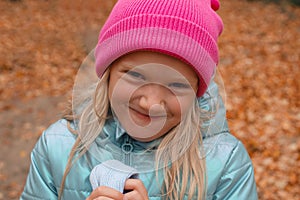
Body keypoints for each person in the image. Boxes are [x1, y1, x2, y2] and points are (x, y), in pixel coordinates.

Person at [21, 0, 258, 199]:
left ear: (198, 90)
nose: (150, 103)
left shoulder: (226, 165)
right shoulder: (57, 147)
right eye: (135, 75)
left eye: (176, 85)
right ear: (109, 71)